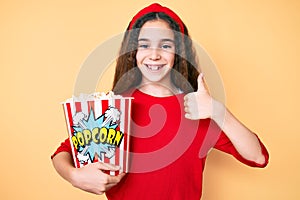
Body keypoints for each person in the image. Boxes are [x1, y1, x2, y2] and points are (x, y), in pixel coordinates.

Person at [51, 3, 269, 200]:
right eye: (145, 45)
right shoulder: (114, 106)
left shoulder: (198, 107)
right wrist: (74, 176)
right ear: (134, 52)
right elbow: (62, 152)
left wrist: (217, 110)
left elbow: (258, 157)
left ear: (178, 53)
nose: (154, 55)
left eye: (165, 46)